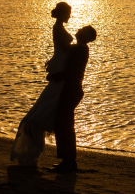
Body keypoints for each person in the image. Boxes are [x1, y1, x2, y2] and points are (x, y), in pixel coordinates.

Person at [10, 2, 73, 166]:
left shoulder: (59, 27)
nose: (70, 16)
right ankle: (31, 151)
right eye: (68, 13)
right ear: (62, 14)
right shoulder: (58, 28)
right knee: (45, 109)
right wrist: (81, 46)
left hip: (60, 67)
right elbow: (66, 48)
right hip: (60, 69)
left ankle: (33, 151)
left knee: (47, 107)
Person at [47, 25, 97, 173]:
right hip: (72, 90)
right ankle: (67, 161)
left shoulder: (80, 50)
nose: (79, 29)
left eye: (83, 30)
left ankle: (68, 161)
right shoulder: (79, 49)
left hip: (72, 90)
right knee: (63, 125)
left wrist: (53, 76)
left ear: (86, 37)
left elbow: (70, 72)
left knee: (64, 125)